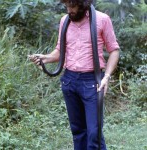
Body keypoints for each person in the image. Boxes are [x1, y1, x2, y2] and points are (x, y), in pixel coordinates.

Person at [28, 0, 120, 149]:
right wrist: (46, 58)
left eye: (72, 6)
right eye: (66, 6)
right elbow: (60, 51)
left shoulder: (102, 19)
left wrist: (107, 77)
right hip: (69, 81)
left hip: (92, 82)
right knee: (78, 131)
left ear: (83, 5)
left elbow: (114, 50)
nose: (68, 10)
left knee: (94, 133)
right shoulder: (65, 21)